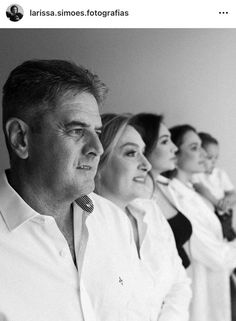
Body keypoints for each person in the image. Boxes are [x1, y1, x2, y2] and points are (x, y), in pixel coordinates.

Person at [0, 60, 152, 321]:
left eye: (97, 132)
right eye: (77, 130)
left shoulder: (113, 220)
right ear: (20, 139)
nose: (98, 148)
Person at [95, 113, 192, 321]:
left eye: (143, 152)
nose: (146, 165)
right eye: (131, 153)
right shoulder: (83, 230)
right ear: (98, 164)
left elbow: (180, 283)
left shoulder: (150, 212)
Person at [162, 124, 236, 321]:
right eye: (194, 147)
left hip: (215, 284)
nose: (204, 153)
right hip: (200, 293)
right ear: (175, 155)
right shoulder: (177, 197)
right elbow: (214, 255)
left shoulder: (192, 191)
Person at [130, 113, 193, 268]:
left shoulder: (163, 186)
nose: (175, 148)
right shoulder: (136, 199)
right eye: (165, 141)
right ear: (144, 147)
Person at [192, 132, 236, 241]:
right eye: (209, 157)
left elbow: (232, 193)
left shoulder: (220, 173)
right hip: (211, 212)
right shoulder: (196, 174)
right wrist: (216, 203)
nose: (214, 161)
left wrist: (226, 201)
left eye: (216, 158)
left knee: (229, 236)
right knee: (215, 238)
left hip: (225, 213)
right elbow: (201, 189)